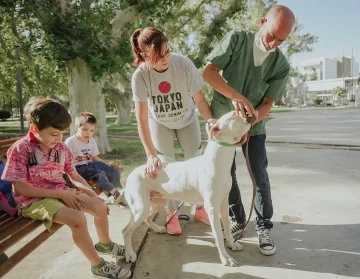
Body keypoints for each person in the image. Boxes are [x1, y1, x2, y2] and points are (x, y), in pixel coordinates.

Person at [1, 98, 131, 279]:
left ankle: (105, 244)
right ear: (34, 129)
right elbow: (19, 189)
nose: (59, 139)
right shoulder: (20, 149)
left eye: (62, 133)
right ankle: (97, 265)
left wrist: (92, 194)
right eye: (54, 134)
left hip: (62, 192)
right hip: (33, 201)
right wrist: (60, 193)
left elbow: (74, 175)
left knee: (100, 207)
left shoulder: (61, 148)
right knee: (77, 219)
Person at [203, 5, 295, 255]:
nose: (274, 43)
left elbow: (267, 103)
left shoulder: (281, 65)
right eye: (272, 35)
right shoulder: (236, 39)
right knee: (226, 175)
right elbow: (209, 73)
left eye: (281, 40)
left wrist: (250, 123)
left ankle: (264, 226)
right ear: (263, 21)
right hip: (222, 127)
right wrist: (235, 96)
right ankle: (237, 219)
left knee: (259, 176)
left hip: (254, 128)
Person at [130, 27, 214, 235]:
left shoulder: (183, 63)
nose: (165, 58)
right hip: (160, 123)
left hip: (187, 120)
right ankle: (171, 214)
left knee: (197, 163)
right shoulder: (140, 76)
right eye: (158, 56)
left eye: (167, 52)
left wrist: (211, 122)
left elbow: (200, 100)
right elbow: (141, 119)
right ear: (144, 55)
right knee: (165, 169)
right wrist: (150, 155)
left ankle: (201, 209)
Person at [65, 112, 126, 206]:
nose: (88, 133)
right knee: (99, 173)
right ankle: (115, 194)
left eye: (91, 130)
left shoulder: (92, 141)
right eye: (84, 129)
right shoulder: (71, 142)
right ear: (76, 128)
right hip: (77, 168)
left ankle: (117, 194)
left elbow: (94, 157)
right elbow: (65, 161)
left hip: (89, 164)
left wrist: (106, 165)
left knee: (113, 170)